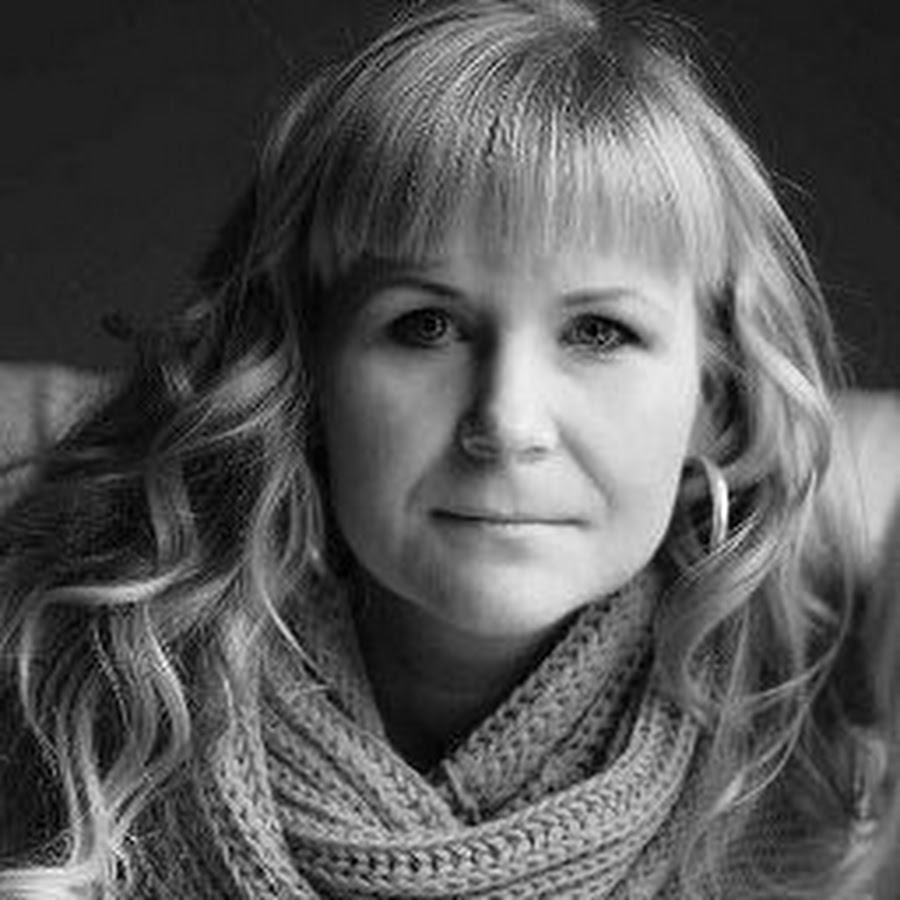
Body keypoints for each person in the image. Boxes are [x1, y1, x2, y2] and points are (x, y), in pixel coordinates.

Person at [1, 0, 899, 896]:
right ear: (304, 369)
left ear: (714, 391)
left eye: (599, 332)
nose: (508, 423)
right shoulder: (76, 678)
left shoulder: (820, 726)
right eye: (426, 325)